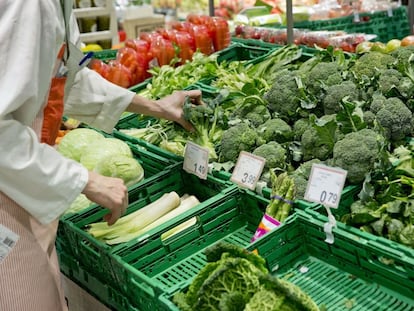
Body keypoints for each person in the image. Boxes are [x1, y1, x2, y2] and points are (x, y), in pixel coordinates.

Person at [0, 1, 201, 310]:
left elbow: (67, 80)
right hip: (9, 187)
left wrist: (157, 107)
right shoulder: (27, 5)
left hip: (26, 178)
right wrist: (85, 179)